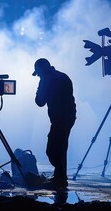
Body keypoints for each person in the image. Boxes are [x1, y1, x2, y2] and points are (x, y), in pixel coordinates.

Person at [32, 58, 76, 189]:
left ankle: (61, 180)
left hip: (60, 118)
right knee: (61, 148)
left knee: (52, 150)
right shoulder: (62, 76)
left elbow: (40, 102)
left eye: (38, 74)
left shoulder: (47, 80)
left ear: (41, 70)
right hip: (67, 116)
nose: (38, 76)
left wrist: (40, 86)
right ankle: (60, 178)